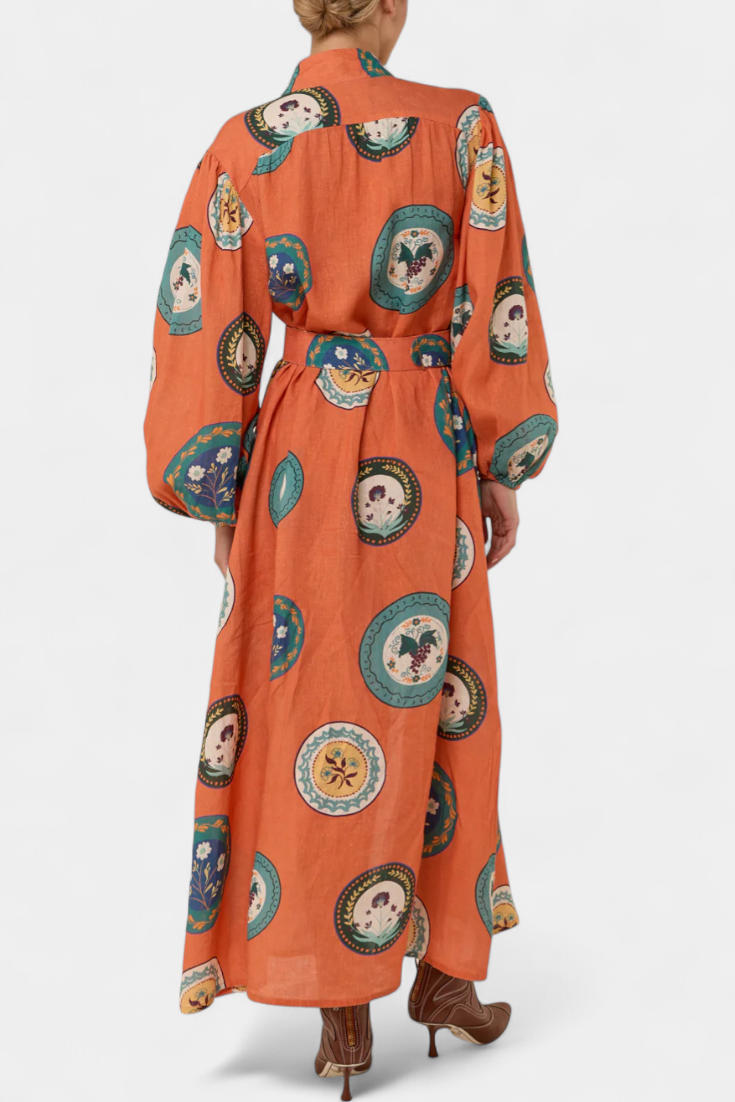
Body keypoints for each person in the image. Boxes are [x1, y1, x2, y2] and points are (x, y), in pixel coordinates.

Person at [143, 0, 557, 1096]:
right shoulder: (461, 125)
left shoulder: (246, 145)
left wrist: (220, 493)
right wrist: (502, 463)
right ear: (387, 5)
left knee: (311, 702)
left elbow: (206, 327)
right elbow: (495, 303)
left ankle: (348, 1011)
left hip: (296, 460)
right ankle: (442, 966)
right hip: (427, 449)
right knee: (445, 690)